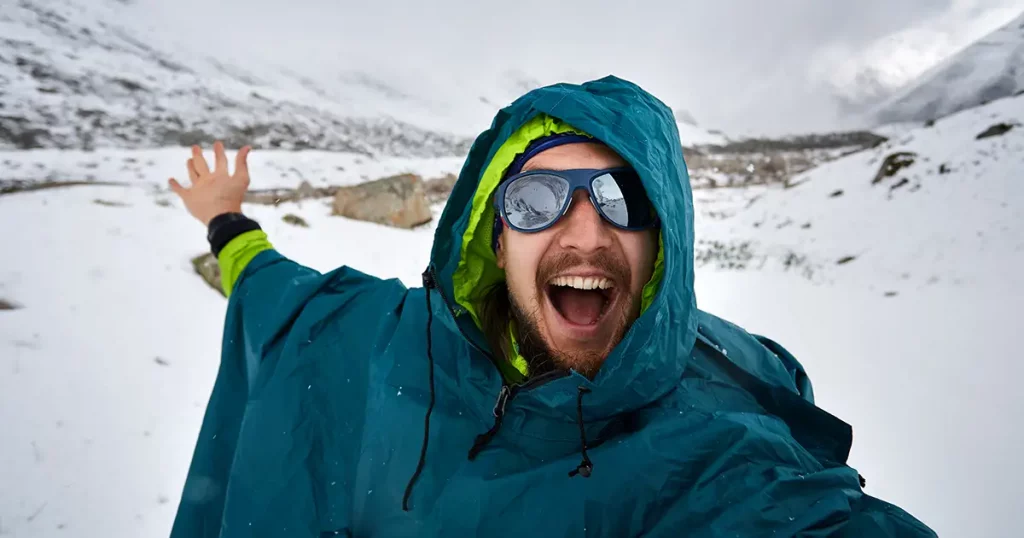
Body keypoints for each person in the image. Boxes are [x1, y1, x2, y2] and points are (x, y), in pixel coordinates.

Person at [168, 76, 936, 537]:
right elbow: (278, 291)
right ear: (493, 241)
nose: (583, 231)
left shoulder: (714, 437)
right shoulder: (377, 340)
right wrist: (227, 220)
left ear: (662, 241)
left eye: (621, 196)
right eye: (535, 200)